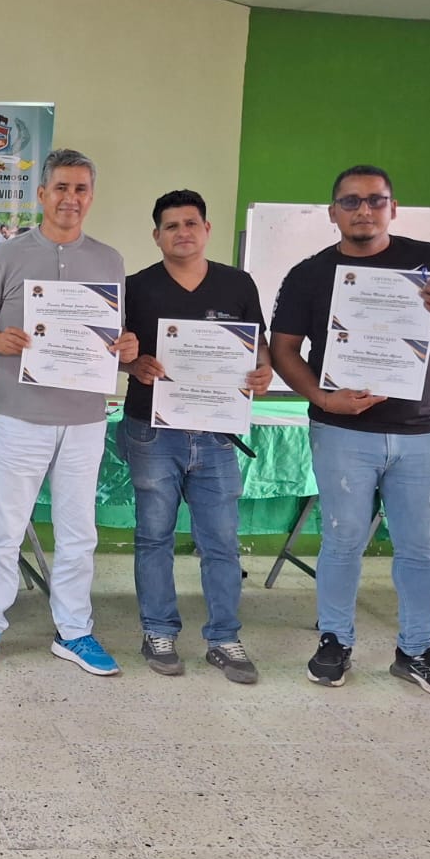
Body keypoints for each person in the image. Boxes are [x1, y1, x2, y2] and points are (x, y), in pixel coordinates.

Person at [271, 165, 430, 701]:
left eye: (375, 200)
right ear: (333, 213)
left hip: (421, 431)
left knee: (420, 549)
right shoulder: (309, 274)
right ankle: (334, 641)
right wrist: (323, 398)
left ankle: (416, 651)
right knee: (342, 542)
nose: (363, 210)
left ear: (393, 207)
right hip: (341, 430)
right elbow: (283, 350)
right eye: (350, 201)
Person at [0, 148, 137, 676]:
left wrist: (127, 347)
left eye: (81, 189)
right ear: (41, 194)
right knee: (6, 528)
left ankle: (74, 631)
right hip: (19, 414)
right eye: (61, 187)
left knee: (79, 531)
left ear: (91, 196)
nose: (70, 198)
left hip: (85, 418)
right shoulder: (6, 255)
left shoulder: (110, 260)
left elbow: (114, 336)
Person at [117, 189, 272, 684]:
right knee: (154, 536)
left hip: (217, 434)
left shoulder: (237, 283)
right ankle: (157, 631)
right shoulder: (135, 287)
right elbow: (116, 352)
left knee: (221, 541)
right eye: (171, 226)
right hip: (151, 431)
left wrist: (263, 371)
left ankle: (224, 638)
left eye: (191, 223)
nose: (182, 232)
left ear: (206, 229)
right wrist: (133, 365)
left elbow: (259, 346)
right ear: (156, 235)